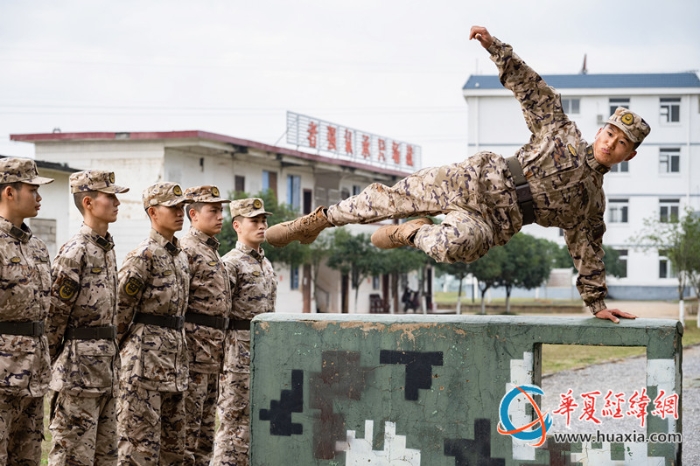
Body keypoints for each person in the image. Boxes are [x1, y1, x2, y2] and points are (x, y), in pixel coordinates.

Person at [265, 25, 651, 324]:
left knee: (454, 246)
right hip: (477, 178)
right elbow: (532, 89)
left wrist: (597, 302)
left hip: (495, 221)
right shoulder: (561, 132)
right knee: (389, 198)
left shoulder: (590, 205)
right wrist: (495, 48)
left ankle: (411, 231)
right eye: (610, 133)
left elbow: (588, 251)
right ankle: (316, 222)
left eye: (620, 144)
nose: (610, 143)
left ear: (628, 155)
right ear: (601, 129)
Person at [47, 170, 129, 465]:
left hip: (106, 373)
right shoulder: (75, 251)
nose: (117, 202)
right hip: (78, 376)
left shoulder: (107, 248)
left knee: (105, 458)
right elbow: (55, 317)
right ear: (89, 202)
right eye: (110, 196)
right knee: (73, 457)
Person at [116, 182, 192, 465]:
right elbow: (120, 309)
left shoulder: (180, 256)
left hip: (174, 364)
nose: (179, 213)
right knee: (139, 448)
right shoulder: (142, 255)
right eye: (172, 208)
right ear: (153, 212)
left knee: (173, 450)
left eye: (182, 207)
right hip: (143, 365)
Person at [211, 198, 277, 466]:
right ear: (237, 225)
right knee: (233, 421)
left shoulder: (266, 264)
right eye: (255, 221)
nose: (262, 226)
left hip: (262, 354)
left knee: (256, 420)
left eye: (264, 220)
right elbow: (221, 314)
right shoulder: (230, 264)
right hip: (237, 357)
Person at [0, 158, 53, 465]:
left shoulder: (37, 248)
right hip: (3, 372)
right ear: (9, 192)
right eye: (32, 190)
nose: (39, 197)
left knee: (29, 456)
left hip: (33, 371)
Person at [180, 186, 231, 466]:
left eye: (221, 209)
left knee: (204, 440)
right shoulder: (187, 250)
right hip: (193, 358)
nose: (220, 216)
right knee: (187, 436)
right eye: (213, 210)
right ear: (193, 214)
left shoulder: (211, 251)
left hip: (212, 359)